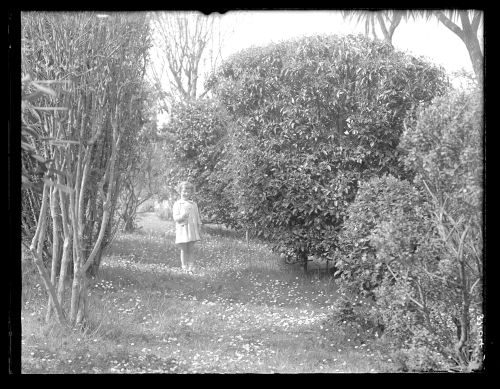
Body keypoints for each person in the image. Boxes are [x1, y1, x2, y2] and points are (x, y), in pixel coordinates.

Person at [172, 181, 202, 272]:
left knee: (191, 248)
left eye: (188, 192)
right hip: (183, 229)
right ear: (180, 191)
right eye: (184, 191)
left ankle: (191, 266)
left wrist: (199, 225)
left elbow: (197, 216)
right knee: (184, 248)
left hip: (192, 229)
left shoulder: (193, 204)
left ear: (191, 193)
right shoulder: (178, 204)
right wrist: (182, 216)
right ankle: (184, 266)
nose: (186, 193)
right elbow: (175, 218)